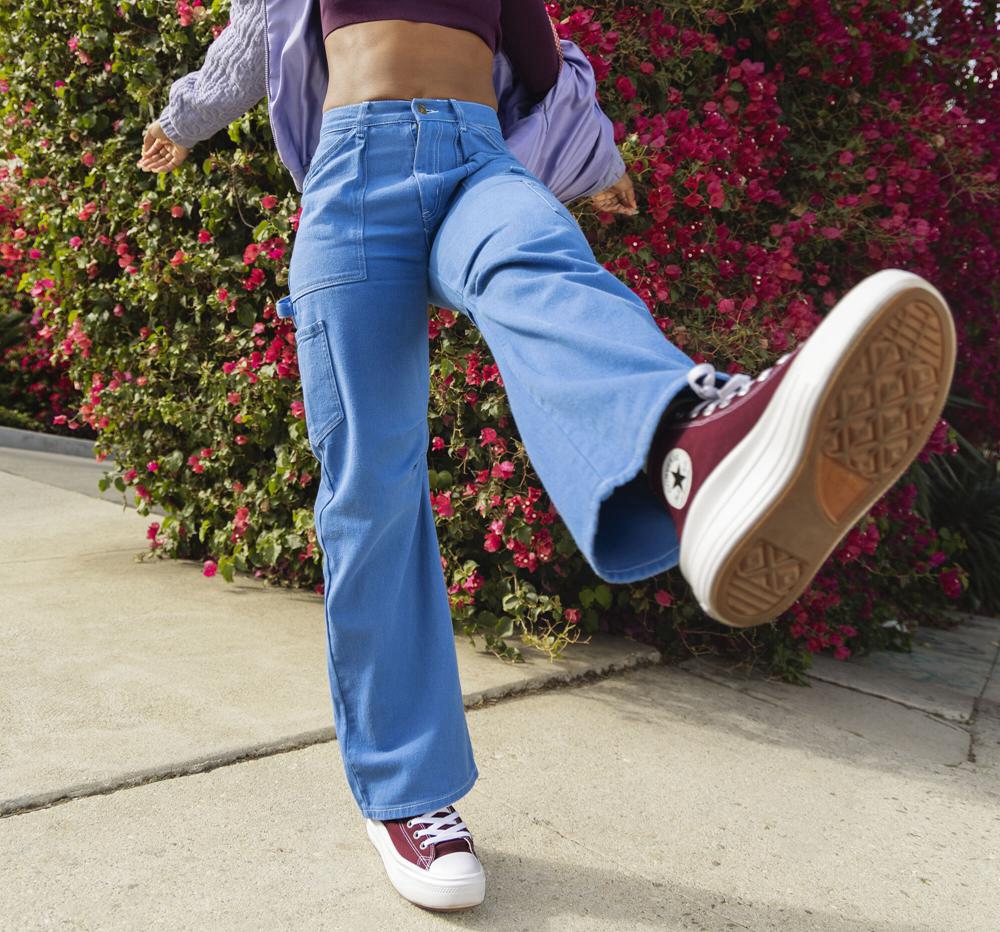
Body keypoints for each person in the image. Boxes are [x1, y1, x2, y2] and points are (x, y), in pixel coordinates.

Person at [137, 0, 957, 913]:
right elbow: (253, 37)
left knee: (541, 265)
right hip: (353, 177)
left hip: (479, 162)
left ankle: (690, 443)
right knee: (371, 481)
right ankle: (408, 797)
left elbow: (543, 67)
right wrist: (182, 120)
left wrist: (600, 163)